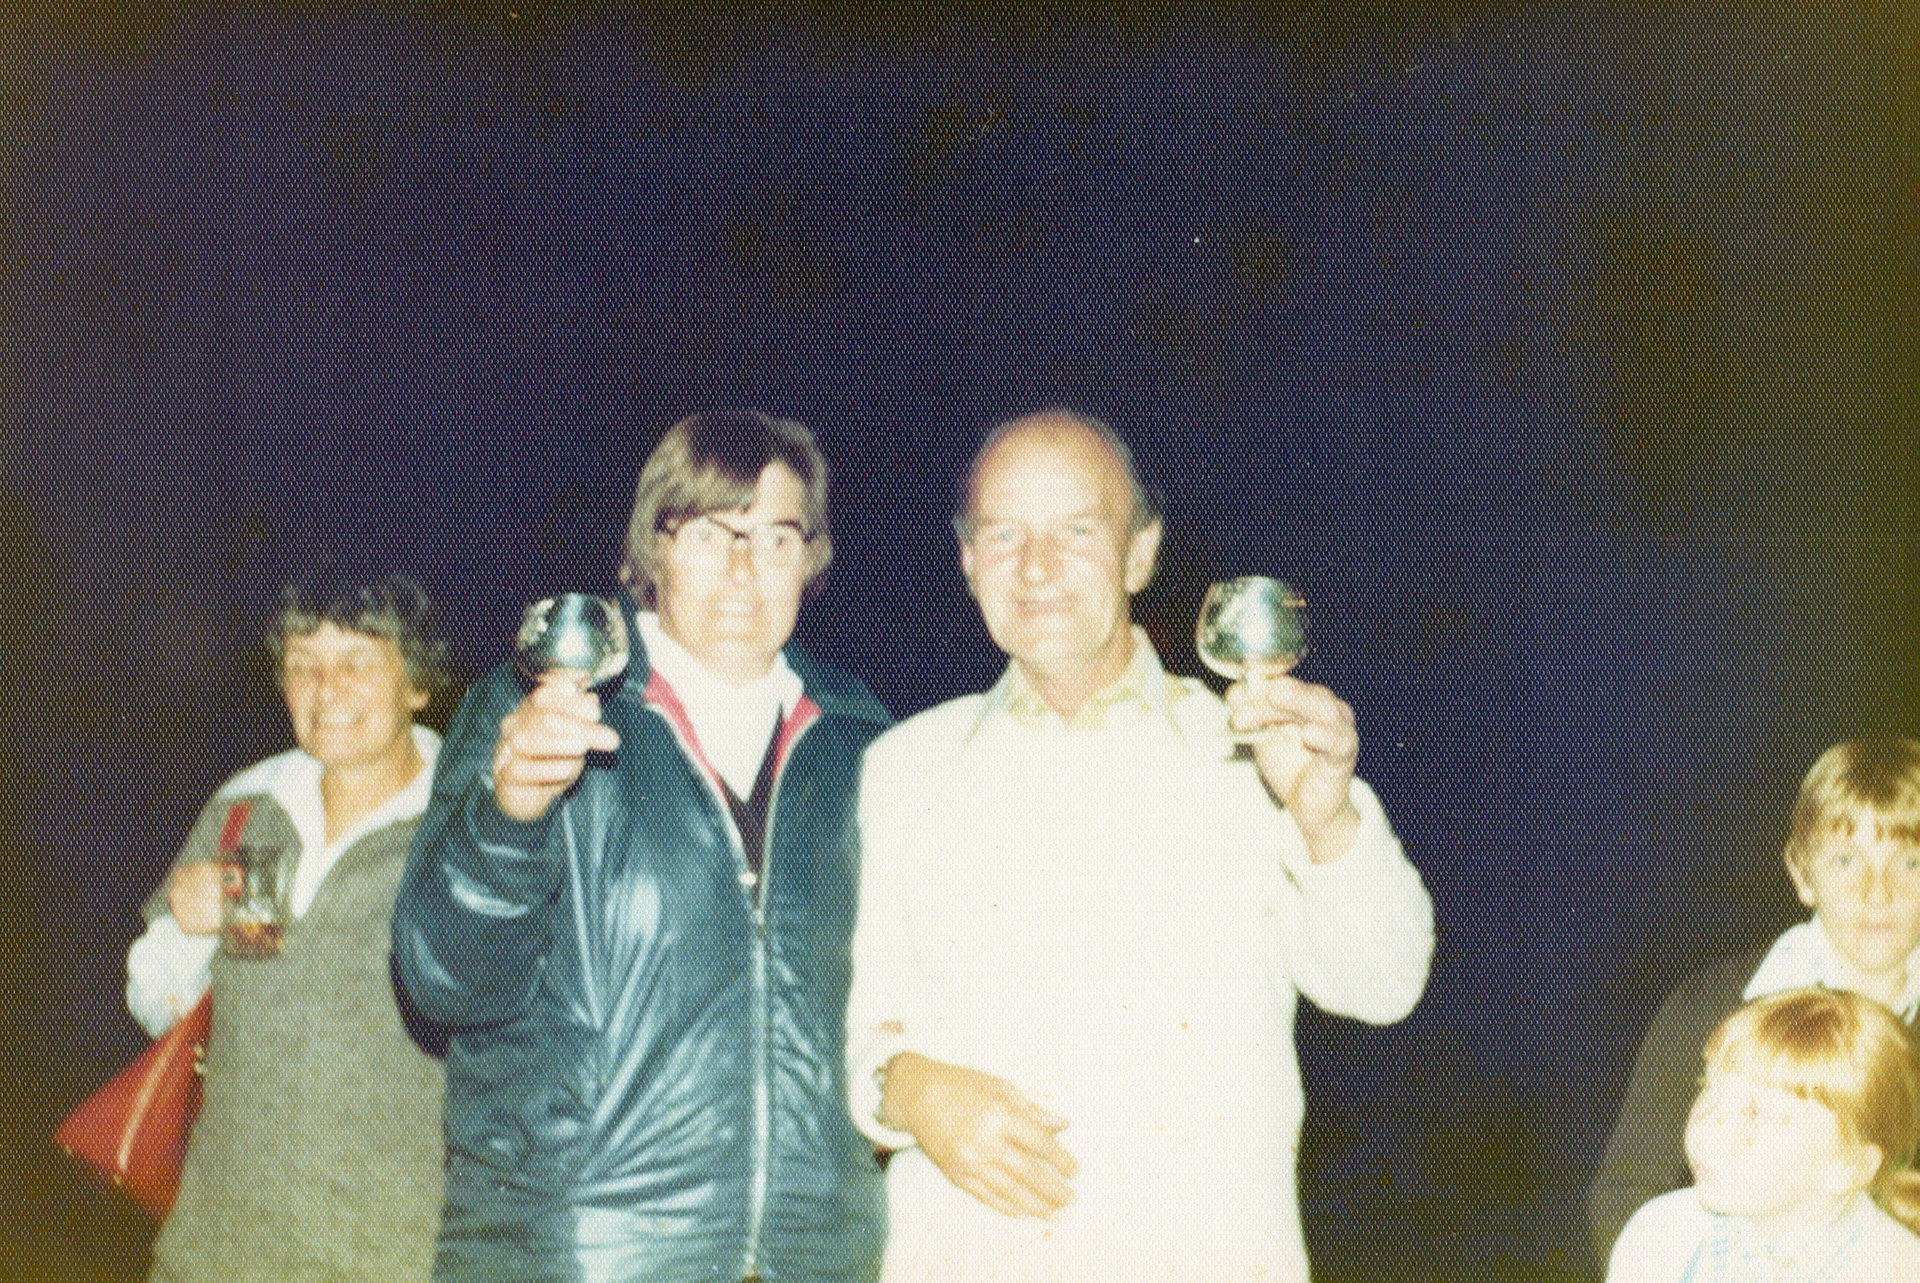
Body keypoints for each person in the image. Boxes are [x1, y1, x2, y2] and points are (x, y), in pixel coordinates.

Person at [844, 409, 1435, 1283]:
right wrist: (911, 1090)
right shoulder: (900, 767)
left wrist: (1325, 816)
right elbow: (852, 1025)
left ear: (1140, 553)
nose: (1035, 567)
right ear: (968, 562)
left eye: (1077, 530)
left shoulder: (1254, 747)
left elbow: (1383, 984)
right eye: (1003, 534)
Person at [392, 410, 890, 1282]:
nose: (743, 569)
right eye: (709, 533)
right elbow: (442, 982)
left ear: (811, 561)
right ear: (651, 550)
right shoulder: (534, 711)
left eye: (776, 538)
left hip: (812, 1256)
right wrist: (509, 815)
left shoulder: (864, 742)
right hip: (576, 1252)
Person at [127, 565, 450, 1282]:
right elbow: (155, 1003)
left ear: (419, 683)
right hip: (218, 1249)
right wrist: (189, 927)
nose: (326, 688)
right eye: (303, 665)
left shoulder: (469, 825)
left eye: (356, 662)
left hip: (396, 1253)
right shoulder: (245, 807)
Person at [1588, 736, 1920, 1264]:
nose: (1876, 891)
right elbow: (1627, 1193)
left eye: (1908, 863)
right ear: (1801, 873)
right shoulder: (1715, 1007)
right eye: (1844, 860)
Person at [1606, 986, 1920, 1281]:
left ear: (1847, 1168)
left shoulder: (1899, 1270)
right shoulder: (1656, 1238)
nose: (1708, 1120)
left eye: (1752, 1112)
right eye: (1708, 1088)